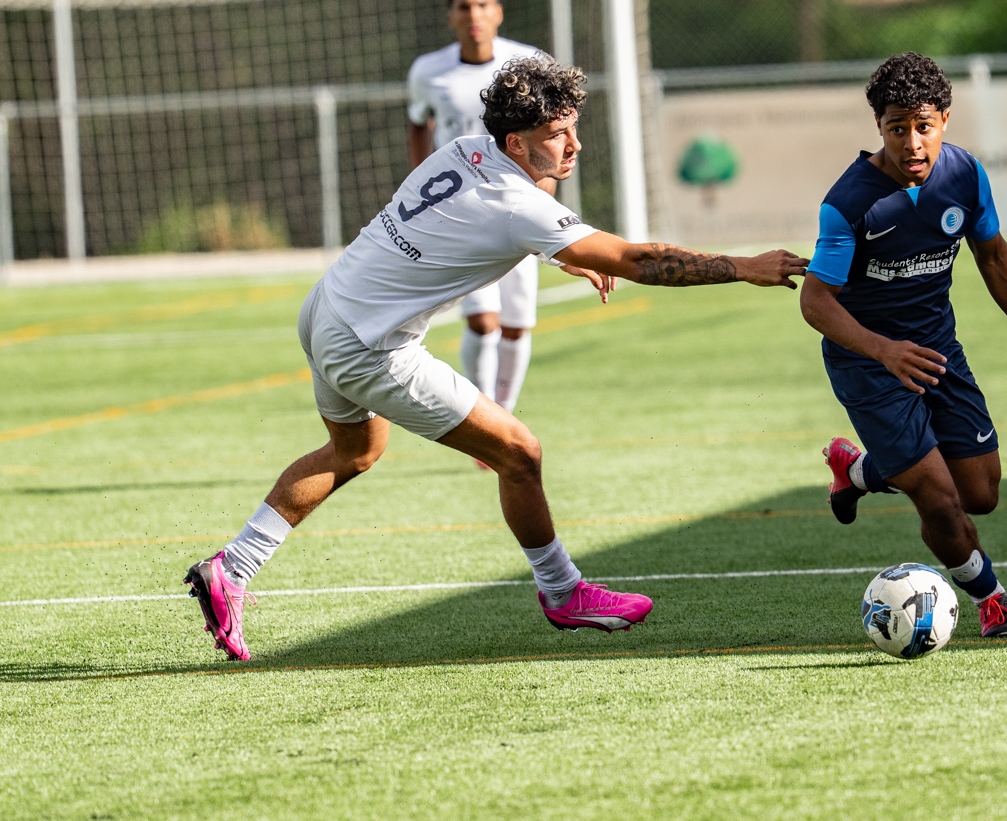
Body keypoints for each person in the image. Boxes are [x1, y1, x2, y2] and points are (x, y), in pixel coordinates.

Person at [187, 56, 807, 661]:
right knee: (519, 453)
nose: (574, 146)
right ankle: (564, 593)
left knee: (354, 452)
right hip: (369, 346)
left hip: (326, 308)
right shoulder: (518, 206)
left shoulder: (463, 151)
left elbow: (479, 221)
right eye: (556, 134)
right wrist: (743, 266)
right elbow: (638, 260)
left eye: (573, 128)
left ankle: (231, 568)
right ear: (516, 141)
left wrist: (564, 251)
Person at [800, 52, 1007, 639]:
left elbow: (994, 257)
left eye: (923, 126)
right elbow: (816, 302)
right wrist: (883, 350)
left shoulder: (964, 174)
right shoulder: (849, 203)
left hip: (936, 351)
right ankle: (992, 600)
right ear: (878, 126)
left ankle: (858, 472)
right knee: (940, 499)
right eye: (897, 128)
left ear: (944, 120)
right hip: (867, 364)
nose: (912, 143)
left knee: (980, 494)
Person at [408, 0, 560, 418]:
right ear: (451, 16)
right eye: (464, 7)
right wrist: (421, 183)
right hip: (463, 211)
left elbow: (551, 128)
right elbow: (418, 125)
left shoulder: (527, 63)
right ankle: (484, 417)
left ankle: (503, 413)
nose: (473, 15)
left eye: (481, 5)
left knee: (515, 325)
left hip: (519, 203)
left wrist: (546, 187)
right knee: (481, 318)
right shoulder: (429, 71)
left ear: (498, 12)